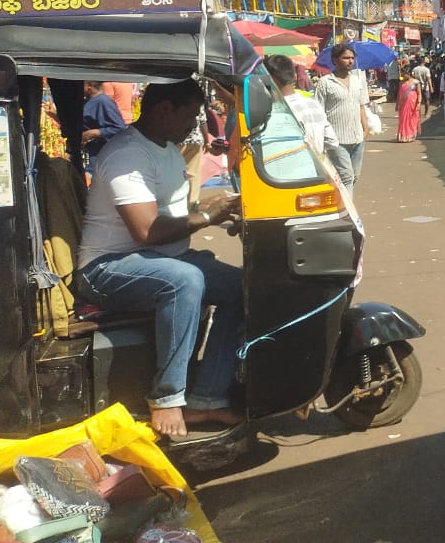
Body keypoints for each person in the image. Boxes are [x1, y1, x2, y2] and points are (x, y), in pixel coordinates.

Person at [75, 79, 244, 438]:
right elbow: (147, 231)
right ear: (164, 110)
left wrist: (220, 211)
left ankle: (207, 397)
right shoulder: (127, 155)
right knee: (184, 280)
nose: (195, 122)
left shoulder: (166, 147)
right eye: (190, 114)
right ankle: (167, 398)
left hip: (154, 258)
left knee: (241, 286)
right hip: (107, 267)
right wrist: (207, 217)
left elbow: (174, 212)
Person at [314, 42, 370, 188]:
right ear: (335, 60)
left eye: (352, 58)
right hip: (337, 139)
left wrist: (365, 129)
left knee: (354, 177)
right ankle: (347, 211)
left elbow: (361, 106)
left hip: (358, 137)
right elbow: (318, 112)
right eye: (346, 58)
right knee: (347, 177)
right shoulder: (325, 83)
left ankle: (341, 205)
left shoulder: (358, 81)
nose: (350, 61)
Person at [262, 54, 338, 158]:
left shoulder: (276, 110)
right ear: (295, 76)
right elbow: (332, 141)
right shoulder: (313, 104)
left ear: (271, 80)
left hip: (293, 168)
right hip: (318, 169)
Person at [81, 80, 126, 172]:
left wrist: (95, 132)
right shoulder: (87, 101)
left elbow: (119, 127)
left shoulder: (103, 101)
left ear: (89, 85)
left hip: (100, 155)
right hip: (89, 153)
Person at [396, 68, 421, 142]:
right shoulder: (402, 83)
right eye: (402, 74)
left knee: (412, 119)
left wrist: (419, 103)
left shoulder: (416, 82)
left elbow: (419, 94)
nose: (403, 75)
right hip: (403, 104)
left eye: (404, 74)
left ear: (409, 73)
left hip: (413, 104)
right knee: (403, 119)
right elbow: (399, 94)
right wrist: (397, 104)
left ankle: (410, 135)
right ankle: (403, 136)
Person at [411, 55, 433, 125]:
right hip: (425, 87)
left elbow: (412, 78)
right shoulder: (426, 69)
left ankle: (417, 114)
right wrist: (431, 87)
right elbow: (429, 79)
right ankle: (426, 113)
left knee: (417, 101)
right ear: (424, 62)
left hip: (416, 87)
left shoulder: (414, 69)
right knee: (427, 100)